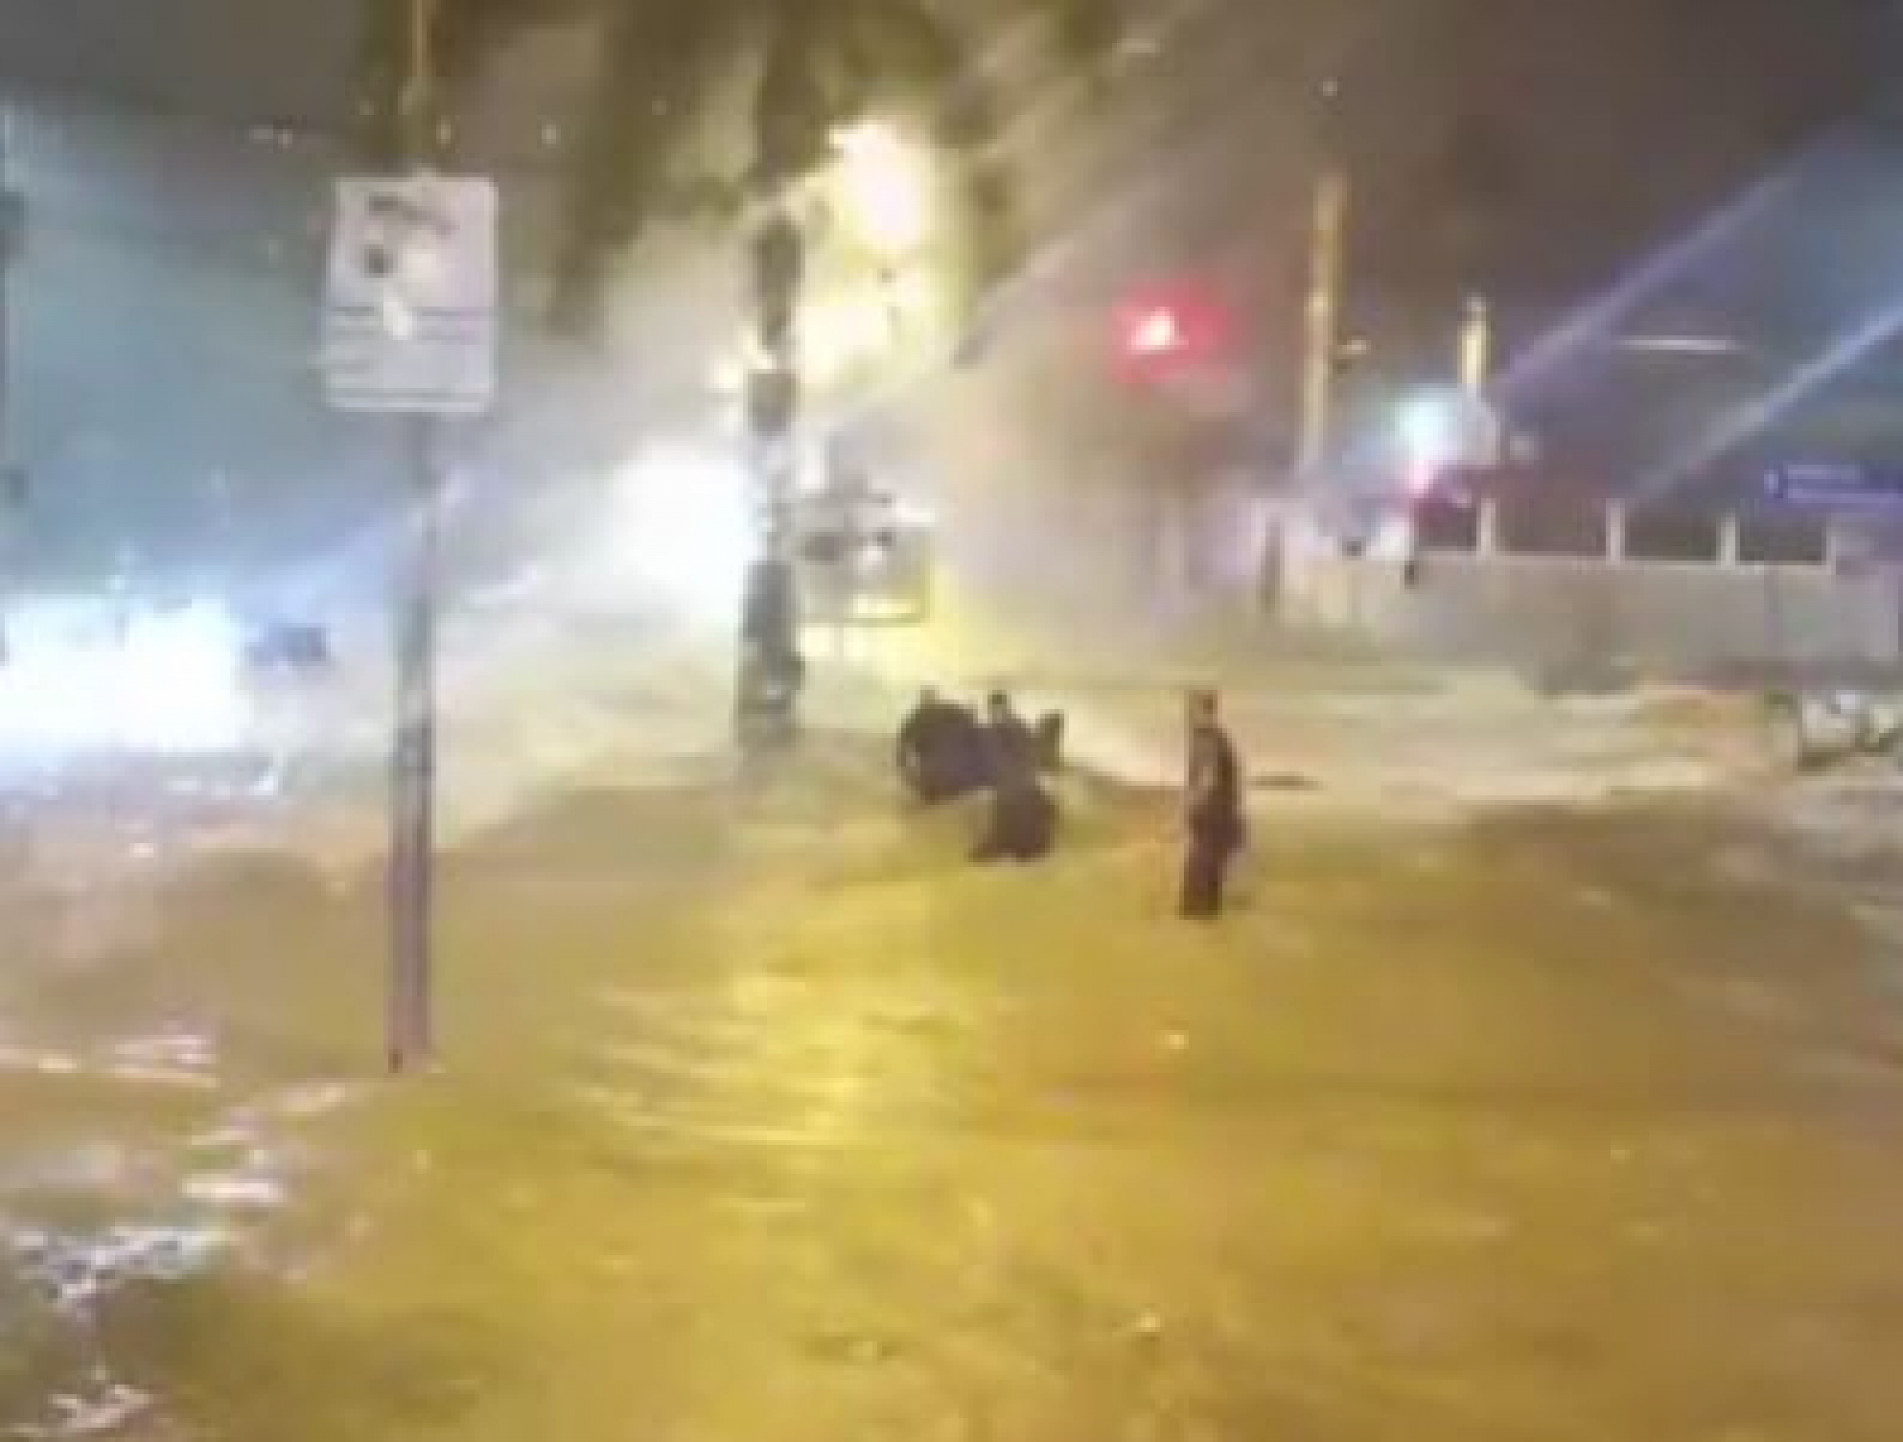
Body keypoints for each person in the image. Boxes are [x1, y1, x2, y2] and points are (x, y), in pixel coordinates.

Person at [971, 690, 1057, 862]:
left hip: (1010, 797)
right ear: (1007, 707)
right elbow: (1034, 758)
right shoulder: (1022, 727)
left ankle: (1014, 845)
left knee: (1006, 809)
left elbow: (990, 765)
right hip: (1032, 803)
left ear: (990, 710)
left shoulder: (989, 734)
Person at [1180, 689, 1244, 918]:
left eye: (1190, 709)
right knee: (1210, 870)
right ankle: (1205, 915)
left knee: (1200, 867)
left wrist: (1189, 804)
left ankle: (1197, 917)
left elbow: (1207, 776)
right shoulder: (1219, 736)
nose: (1186, 715)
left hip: (1212, 812)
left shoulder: (1206, 737)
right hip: (1222, 811)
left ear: (1204, 711)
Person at [896, 687, 984, 804]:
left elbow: (902, 747)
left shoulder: (916, 718)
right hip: (952, 776)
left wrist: (905, 772)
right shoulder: (947, 711)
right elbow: (971, 725)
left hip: (933, 777)